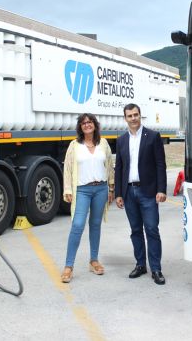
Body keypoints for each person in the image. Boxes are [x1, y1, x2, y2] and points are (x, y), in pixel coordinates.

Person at [114, 103, 167, 285]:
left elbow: (160, 164)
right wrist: (118, 193)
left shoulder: (153, 136)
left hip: (148, 192)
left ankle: (156, 268)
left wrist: (161, 190)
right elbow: (119, 167)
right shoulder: (121, 140)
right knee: (135, 230)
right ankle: (140, 265)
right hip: (129, 192)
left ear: (140, 115)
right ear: (125, 118)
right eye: (130, 116)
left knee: (151, 229)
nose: (133, 118)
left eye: (136, 115)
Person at [61, 113, 114, 283]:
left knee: (95, 224)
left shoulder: (103, 143)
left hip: (100, 189)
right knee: (77, 225)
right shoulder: (74, 145)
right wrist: (67, 189)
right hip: (82, 190)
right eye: (83, 123)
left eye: (90, 122)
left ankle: (94, 260)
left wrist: (111, 187)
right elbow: (68, 169)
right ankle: (68, 266)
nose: (87, 125)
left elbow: (110, 166)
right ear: (80, 127)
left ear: (95, 125)